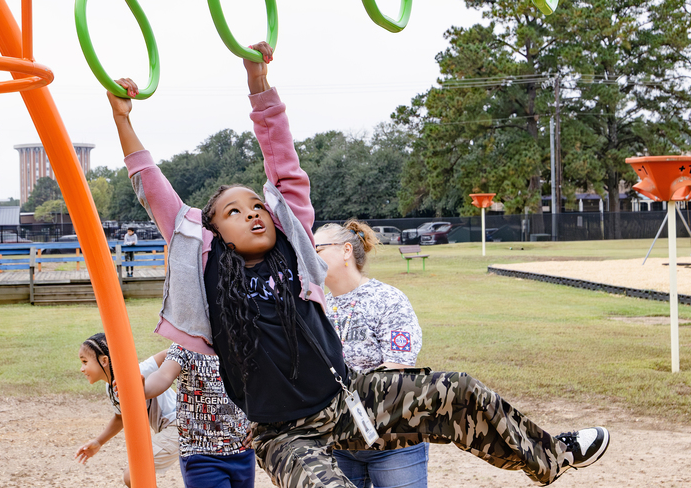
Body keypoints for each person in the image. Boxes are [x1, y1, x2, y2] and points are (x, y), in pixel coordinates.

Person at [106, 42, 609, 487]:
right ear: (213, 231)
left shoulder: (293, 243)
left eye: (255, 205)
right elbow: (153, 188)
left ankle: (551, 456)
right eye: (233, 212)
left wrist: (258, 83)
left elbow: (281, 160)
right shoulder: (208, 263)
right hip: (280, 433)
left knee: (458, 391)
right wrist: (124, 120)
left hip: (345, 398)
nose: (251, 213)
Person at [315, 220, 427, 487]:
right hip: (338, 442)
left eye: (317, 248)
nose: (310, 255)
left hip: (393, 440)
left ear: (345, 251)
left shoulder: (388, 299)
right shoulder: (316, 307)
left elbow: (397, 368)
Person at [143, 343, 255, 488]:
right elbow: (163, 375)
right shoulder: (185, 345)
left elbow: (259, 383)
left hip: (242, 452)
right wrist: (142, 390)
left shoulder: (240, 342)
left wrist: (258, 421)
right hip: (202, 456)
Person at [75, 333, 180, 486]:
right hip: (169, 430)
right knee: (135, 477)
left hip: (177, 426)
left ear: (104, 360)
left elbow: (166, 354)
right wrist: (98, 441)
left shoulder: (137, 371)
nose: (81, 369)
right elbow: (120, 417)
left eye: (85, 362)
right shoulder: (110, 387)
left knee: (133, 475)